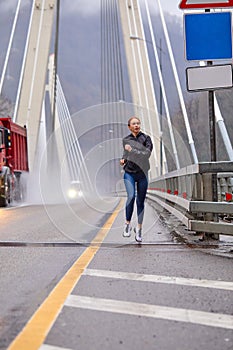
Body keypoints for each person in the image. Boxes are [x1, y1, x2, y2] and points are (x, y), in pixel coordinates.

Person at [120, 116, 153, 242]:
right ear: (129, 127)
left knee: (140, 201)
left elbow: (147, 154)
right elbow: (127, 153)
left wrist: (132, 150)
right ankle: (127, 224)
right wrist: (123, 159)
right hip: (129, 172)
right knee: (131, 197)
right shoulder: (126, 140)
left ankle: (139, 229)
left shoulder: (146, 138)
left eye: (138, 123)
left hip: (142, 173)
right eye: (134, 124)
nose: (136, 125)